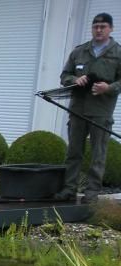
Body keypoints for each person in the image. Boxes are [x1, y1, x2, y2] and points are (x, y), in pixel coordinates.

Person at [56, 12, 121, 203]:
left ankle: (91, 194)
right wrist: (75, 79)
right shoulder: (79, 51)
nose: (99, 29)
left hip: (101, 111)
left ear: (111, 29)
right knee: (74, 152)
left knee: (98, 154)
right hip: (78, 109)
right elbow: (64, 76)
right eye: (95, 26)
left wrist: (108, 88)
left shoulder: (118, 53)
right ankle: (69, 189)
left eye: (103, 26)